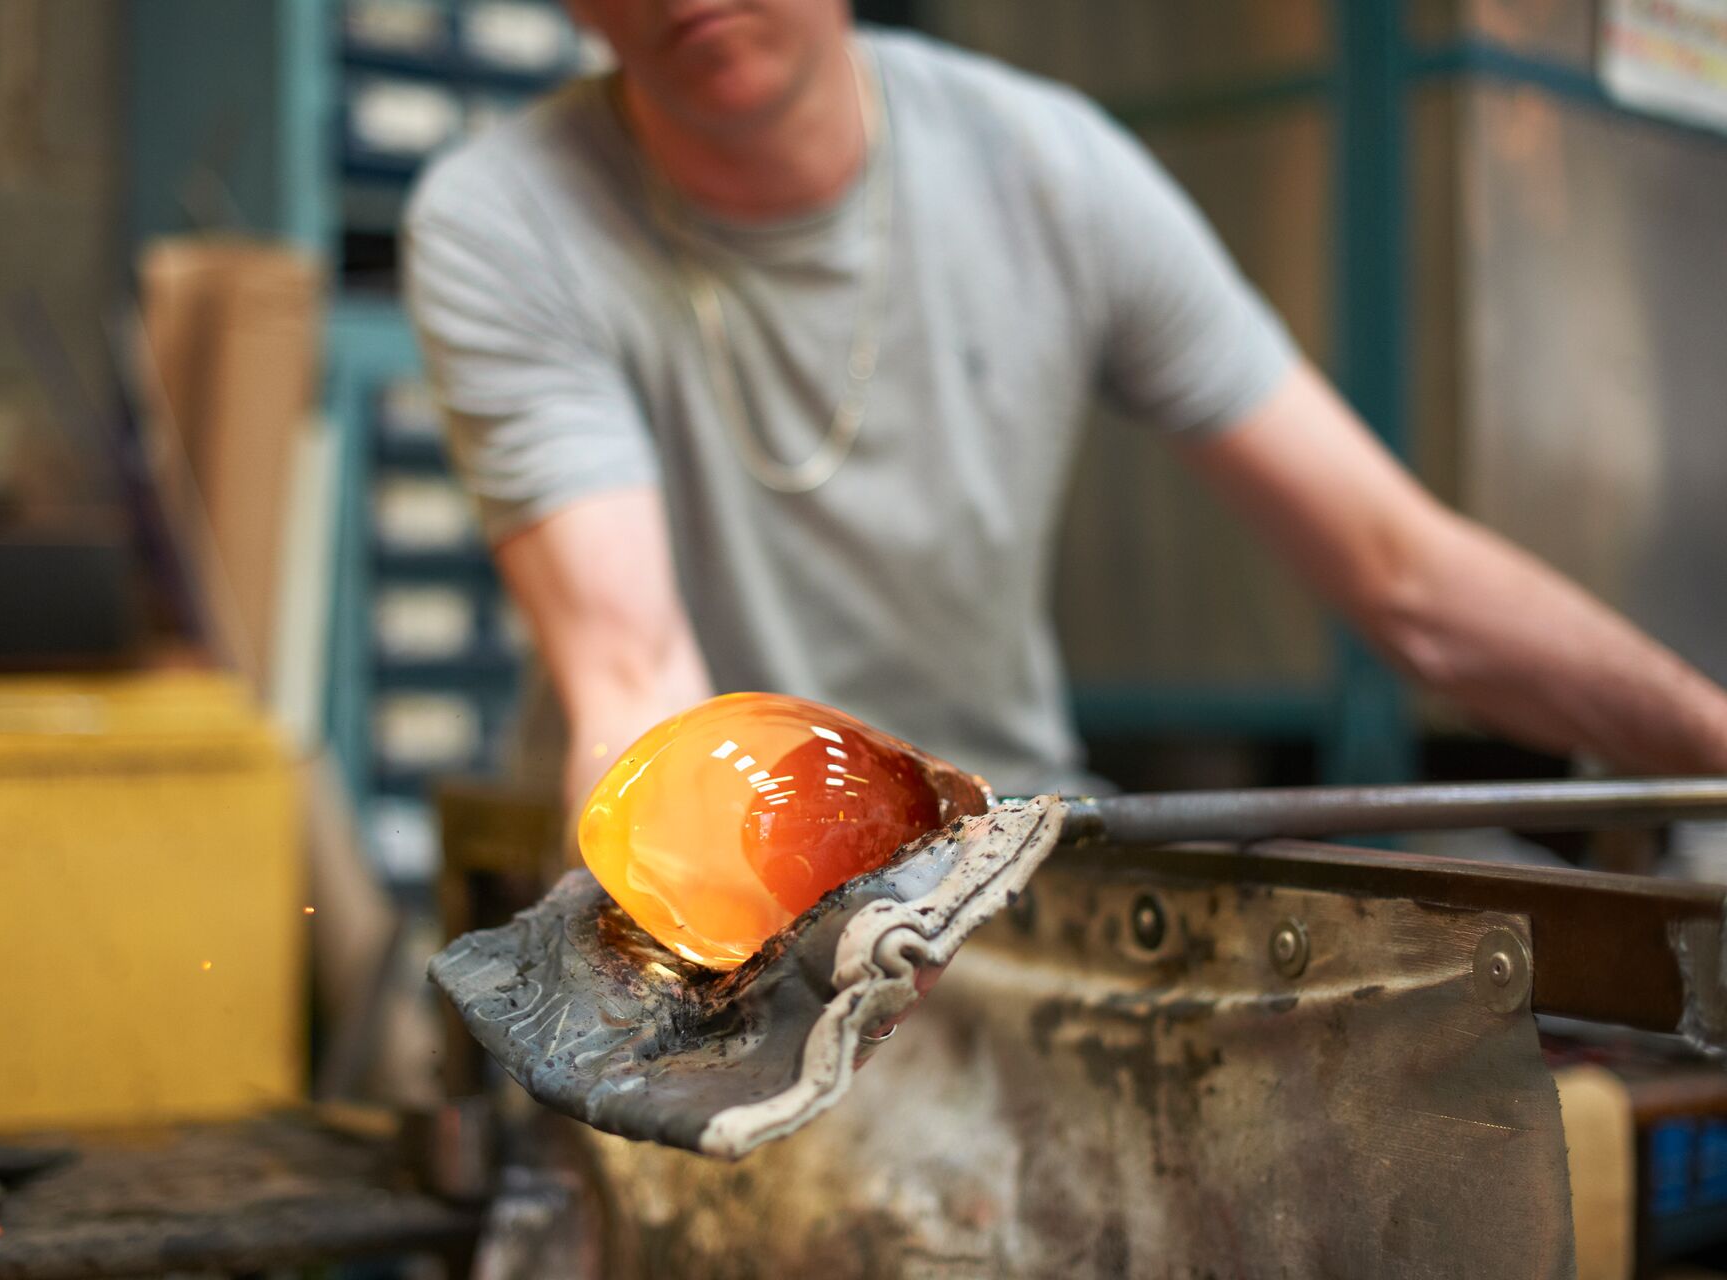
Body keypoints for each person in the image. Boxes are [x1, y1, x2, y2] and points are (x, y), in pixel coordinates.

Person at [402, 0, 1727, 813]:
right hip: (708, 888)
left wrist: (1705, 737)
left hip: (996, 860)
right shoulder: (506, 217)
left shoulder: (1049, 170)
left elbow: (1403, 571)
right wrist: (725, 937)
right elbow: (631, 676)